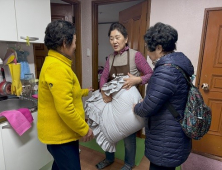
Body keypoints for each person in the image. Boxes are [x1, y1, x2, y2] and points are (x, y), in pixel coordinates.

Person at [134, 22, 193, 170]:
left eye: (148, 47)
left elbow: (148, 107)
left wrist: (137, 107)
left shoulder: (166, 72)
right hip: (174, 132)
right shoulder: (179, 64)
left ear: (159, 48)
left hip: (165, 138)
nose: (147, 53)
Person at [37, 20, 94, 170]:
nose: (75, 46)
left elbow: (69, 93)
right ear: (64, 43)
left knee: (59, 166)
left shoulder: (57, 63)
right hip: (60, 138)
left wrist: (85, 91)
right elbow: (65, 108)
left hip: (63, 134)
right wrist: (84, 128)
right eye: (74, 42)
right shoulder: (57, 67)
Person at [96, 22, 153, 170]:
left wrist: (138, 80)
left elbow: (150, 74)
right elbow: (103, 77)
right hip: (113, 102)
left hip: (129, 106)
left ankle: (128, 164)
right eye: (111, 38)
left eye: (117, 37)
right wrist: (103, 92)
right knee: (108, 130)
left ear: (126, 38)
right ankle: (109, 158)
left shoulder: (136, 55)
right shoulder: (110, 58)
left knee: (129, 137)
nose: (114, 41)